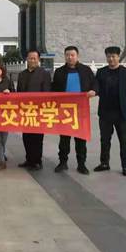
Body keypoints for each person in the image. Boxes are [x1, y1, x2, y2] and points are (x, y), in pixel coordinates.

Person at [52, 46, 98, 175]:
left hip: (80, 110)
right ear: (65, 56)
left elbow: (95, 84)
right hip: (64, 111)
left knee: (80, 139)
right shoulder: (59, 72)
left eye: (72, 55)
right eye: (67, 55)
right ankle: (62, 162)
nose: (70, 57)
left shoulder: (85, 70)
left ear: (77, 56)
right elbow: (53, 89)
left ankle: (81, 164)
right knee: (64, 139)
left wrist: (94, 91)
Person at [94, 46, 126, 176]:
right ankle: (104, 163)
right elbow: (97, 88)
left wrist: (123, 99)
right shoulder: (101, 72)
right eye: (108, 56)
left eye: (113, 56)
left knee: (124, 140)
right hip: (105, 112)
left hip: (121, 113)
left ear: (118, 57)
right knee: (104, 140)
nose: (111, 59)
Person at [16, 49, 51, 171]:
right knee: (26, 137)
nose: (32, 60)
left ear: (38, 59)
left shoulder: (44, 74)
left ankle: (37, 161)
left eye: (34, 58)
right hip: (25, 111)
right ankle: (29, 159)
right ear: (27, 59)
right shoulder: (22, 74)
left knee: (37, 138)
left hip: (38, 111)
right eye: (30, 58)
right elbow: (19, 92)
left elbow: (47, 92)